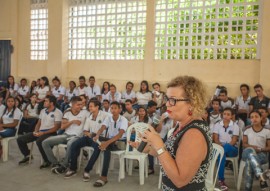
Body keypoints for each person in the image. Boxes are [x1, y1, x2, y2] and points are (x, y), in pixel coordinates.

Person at [130, 75, 212, 190]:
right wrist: (149, 148)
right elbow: (171, 156)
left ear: (192, 103)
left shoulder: (194, 134)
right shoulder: (182, 125)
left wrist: (158, 144)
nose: (167, 104)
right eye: (167, 99)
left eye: (173, 100)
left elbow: (180, 180)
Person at [65, 101, 127, 188]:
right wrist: (97, 135)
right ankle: (73, 168)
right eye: (111, 108)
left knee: (105, 148)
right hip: (106, 139)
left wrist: (106, 143)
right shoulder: (109, 118)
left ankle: (103, 176)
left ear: (120, 110)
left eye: (115, 108)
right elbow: (102, 127)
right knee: (79, 142)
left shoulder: (123, 120)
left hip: (119, 141)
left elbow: (120, 135)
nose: (113, 110)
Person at [42, 96, 87, 174]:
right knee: (45, 142)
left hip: (77, 137)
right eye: (78, 105)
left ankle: (64, 165)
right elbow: (62, 127)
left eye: (81, 104)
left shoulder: (85, 112)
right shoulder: (67, 112)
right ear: (72, 105)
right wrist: (72, 121)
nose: (80, 106)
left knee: (70, 143)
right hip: (66, 135)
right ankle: (55, 163)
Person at [17, 95, 63, 167]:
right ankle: (27, 155)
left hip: (51, 133)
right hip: (40, 132)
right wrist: (36, 131)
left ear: (51, 103)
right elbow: (39, 123)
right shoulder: (43, 111)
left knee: (40, 141)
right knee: (20, 139)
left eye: (46, 101)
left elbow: (56, 127)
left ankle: (47, 161)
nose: (44, 102)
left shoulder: (58, 112)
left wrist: (43, 133)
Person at [242, 110, 270, 191]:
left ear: (261, 118)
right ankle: (261, 175)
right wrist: (252, 147)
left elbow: (269, 147)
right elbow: (244, 144)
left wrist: (260, 149)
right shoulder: (247, 130)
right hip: (247, 152)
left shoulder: (267, 131)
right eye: (252, 117)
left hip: (262, 154)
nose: (254, 119)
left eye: (256, 117)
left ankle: (247, 189)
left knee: (249, 162)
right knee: (250, 152)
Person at [213, 107, 240, 190]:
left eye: (228, 114)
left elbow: (234, 141)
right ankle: (221, 181)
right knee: (222, 155)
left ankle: (219, 180)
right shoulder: (217, 125)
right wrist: (220, 145)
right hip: (220, 146)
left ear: (231, 116)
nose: (225, 116)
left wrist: (223, 148)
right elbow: (215, 139)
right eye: (224, 114)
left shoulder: (235, 126)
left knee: (222, 151)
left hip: (232, 149)